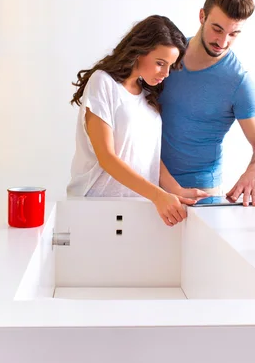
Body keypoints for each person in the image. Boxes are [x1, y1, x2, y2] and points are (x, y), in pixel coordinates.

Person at [66, 15, 208, 226]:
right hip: (95, 207)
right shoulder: (103, 83)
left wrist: (175, 189)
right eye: (160, 63)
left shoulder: (147, 95)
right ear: (140, 51)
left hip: (138, 209)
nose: (166, 73)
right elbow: (106, 157)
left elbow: (149, 155)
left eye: (170, 65)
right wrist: (158, 195)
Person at [160, 0, 255, 207]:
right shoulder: (166, 56)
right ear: (202, 16)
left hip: (201, 199)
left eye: (234, 34)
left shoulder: (239, 82)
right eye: (217, 29)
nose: (223, 42)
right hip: (149, 190)